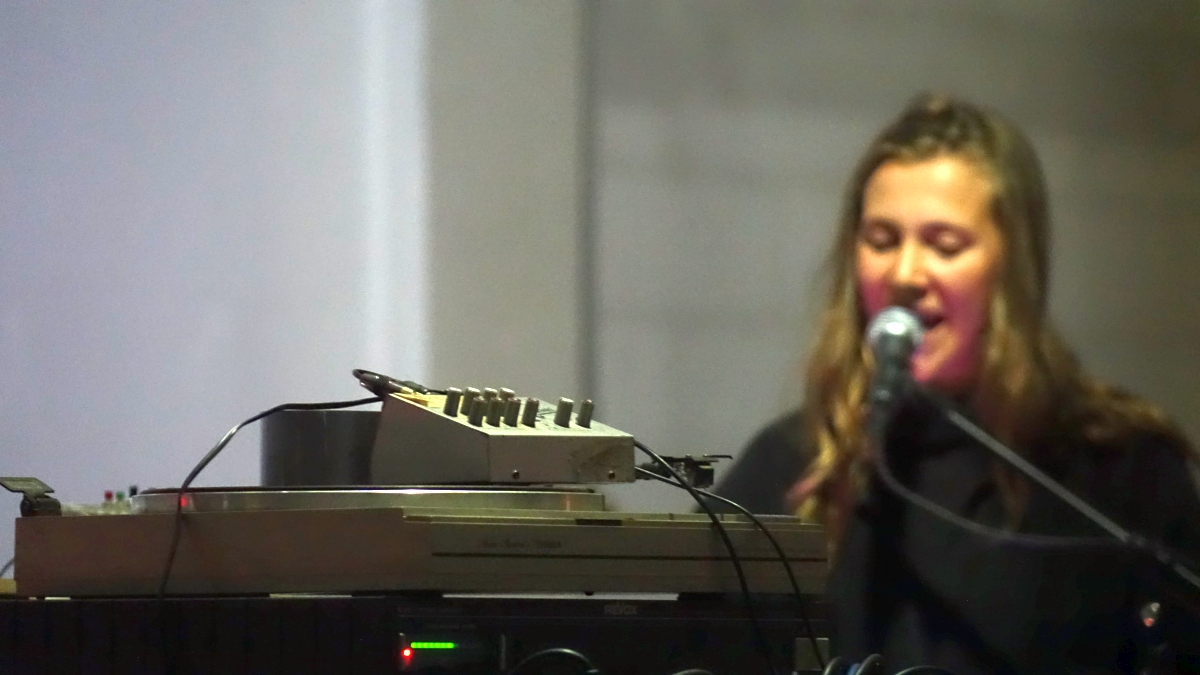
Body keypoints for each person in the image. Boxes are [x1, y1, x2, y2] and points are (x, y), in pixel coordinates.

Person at [713, 94, 1200, 674]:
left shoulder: (1120, 470)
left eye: (944, 245)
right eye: (882, 241)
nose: (906, 274)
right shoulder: (790, 465)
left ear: (1011, 268)